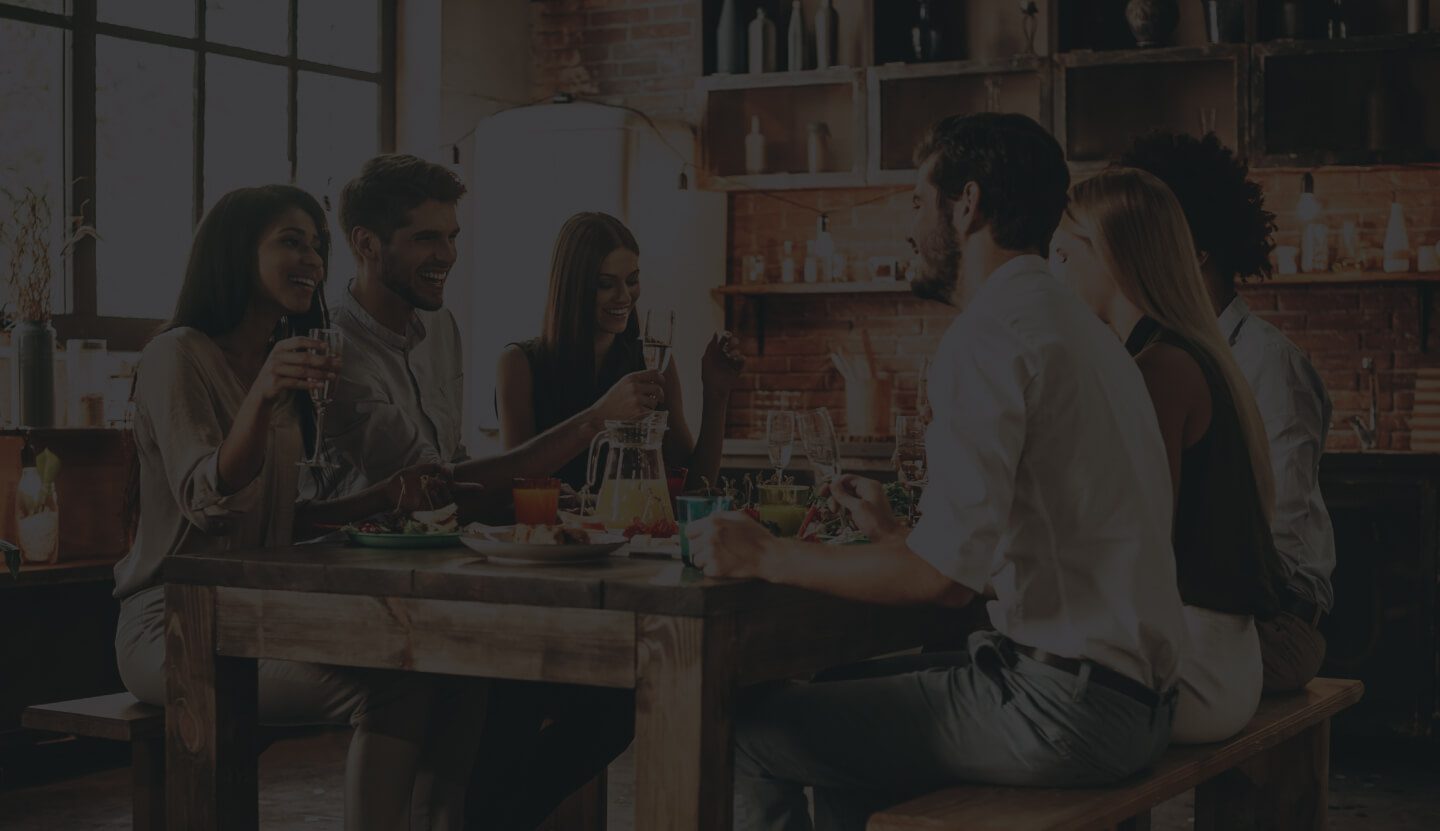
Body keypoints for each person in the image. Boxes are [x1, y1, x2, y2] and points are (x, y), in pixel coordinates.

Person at [688, 113, 1189, 830]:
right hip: (1136, 699)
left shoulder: (989, 334)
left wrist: (764, 552)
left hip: (1061, 708)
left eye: (917, 203)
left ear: (967, 204)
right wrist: (902, 537)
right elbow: (1007, 553)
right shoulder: (1081, 327)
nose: (908, 227)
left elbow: (941, 583)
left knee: (748, 728)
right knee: (840, 700)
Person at [113, 185, 480, 829]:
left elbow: (278, 518)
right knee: (394, 686)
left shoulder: (278, 361)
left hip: (259, 612)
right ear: (234, 252)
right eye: (290, 240)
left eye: (316, 243)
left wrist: (384, 497)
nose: (311, 257)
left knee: (454, 667)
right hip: (175, 627)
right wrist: (260, 396)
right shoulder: (177, 354)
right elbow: (210, 500)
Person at [323, 155, 633, 830]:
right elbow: (439, 488)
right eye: (428, 239)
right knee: (512, 681)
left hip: (440, 576)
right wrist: (592, 422)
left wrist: (558, 508)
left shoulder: (441, 328)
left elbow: (453, 472)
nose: (448, 255)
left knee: (585, 695)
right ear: (366, 244)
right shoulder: (334, 347)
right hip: (356, 587)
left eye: (453, 236)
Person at [1050, 167, 1285, 743]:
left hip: (1191, 673)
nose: (1056, 276)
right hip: (1222, 661)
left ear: (1112, 255)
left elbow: (1135, 548)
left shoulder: (1159, 370)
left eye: (1063, 257)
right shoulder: (1188, 354)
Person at [1120, 131, 1336, 692]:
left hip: (1279, 623)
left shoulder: (1269, 364)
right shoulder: (1162, 354)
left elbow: (1277, 543)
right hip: (1220, 607)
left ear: (1193, 256)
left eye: (1146, 241)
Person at [495, 211, 745, 493]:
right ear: (573, 286)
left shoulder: (651, 362)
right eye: (606, 284)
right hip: (550, 535)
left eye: (632, 280)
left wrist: (716, 395)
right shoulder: (519, 364)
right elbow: (513, 486)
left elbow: (692, 488)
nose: (624, 296)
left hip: (633, 535)